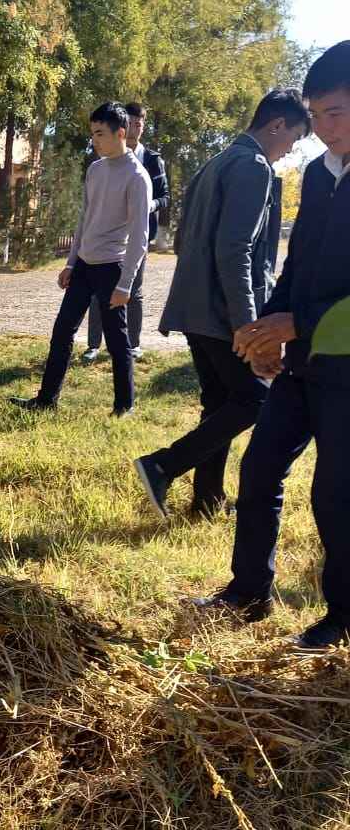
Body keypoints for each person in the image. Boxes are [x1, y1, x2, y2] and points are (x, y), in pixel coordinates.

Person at [194, 42, 350, 651]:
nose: (324, 130)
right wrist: (267, 330)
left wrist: (299, 324)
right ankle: (248, 591)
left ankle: (341, 618)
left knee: (335, 494)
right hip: (302, 364)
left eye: (336, 114)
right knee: (258, 469)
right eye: (318, 116)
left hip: (345, 369)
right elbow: (297, 263)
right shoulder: (317, 174)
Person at [133, 89, 309, 521]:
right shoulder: (253, 167)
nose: (291, 150)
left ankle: (207, 500)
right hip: (223, 311)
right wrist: (248, 325)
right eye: (294, 138)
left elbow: (184, 239)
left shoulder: (216, 162)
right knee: (255, 399)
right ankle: (162, 466)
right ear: (277, 125)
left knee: (219, 403)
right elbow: (237, 250)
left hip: (195, 306)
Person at [10, 101, 151, 418]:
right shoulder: (95, 170)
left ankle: (124, 407)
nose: (94, 140)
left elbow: (140, 237)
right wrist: (72, 263)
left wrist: (125, 284)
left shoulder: (137, 177)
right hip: (84, 267)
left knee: (117, 341)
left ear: (121, 133)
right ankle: (46, 400)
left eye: (100, 134)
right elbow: (84, 220)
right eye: (93, 134)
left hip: (112, 269)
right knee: (62, 332)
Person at [81, 102, 168, 362]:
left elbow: (164, 197)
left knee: (133, 291)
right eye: (131, 122)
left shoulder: (151, 160)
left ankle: (133, 344)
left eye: (139, 124)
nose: (134, 128)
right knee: (98, 294)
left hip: (137, 235)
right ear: (122, 126)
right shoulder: (103, 159)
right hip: (107, 241)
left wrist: (146, 206)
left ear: (142, 126)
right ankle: (93, 344)